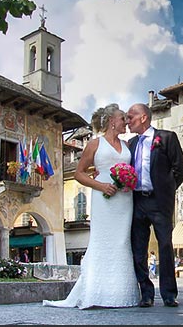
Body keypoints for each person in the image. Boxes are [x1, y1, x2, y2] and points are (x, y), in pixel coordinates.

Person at [43, 104, 140, 309]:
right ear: (112, 121)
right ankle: (98, 291)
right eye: (123, 118)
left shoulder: (127, 145)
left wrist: (128, 181)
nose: (126, 122)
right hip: (103, 198)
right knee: (102, 240)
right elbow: (79, 173)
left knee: (122, 241)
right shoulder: (95, 144)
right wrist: (101, 185)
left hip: (124, 199)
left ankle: (121, 293)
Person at [126, 103, 183, 308]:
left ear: (143, 118)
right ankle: (146, 293)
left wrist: (166, 191)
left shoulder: (167, 138)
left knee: (165, 246)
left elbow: (180, 168)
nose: (127, 121)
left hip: (159, 201)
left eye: (130, 117)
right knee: (138, 249)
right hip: (137, 201)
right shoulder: (131, 143)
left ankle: (169, 294)